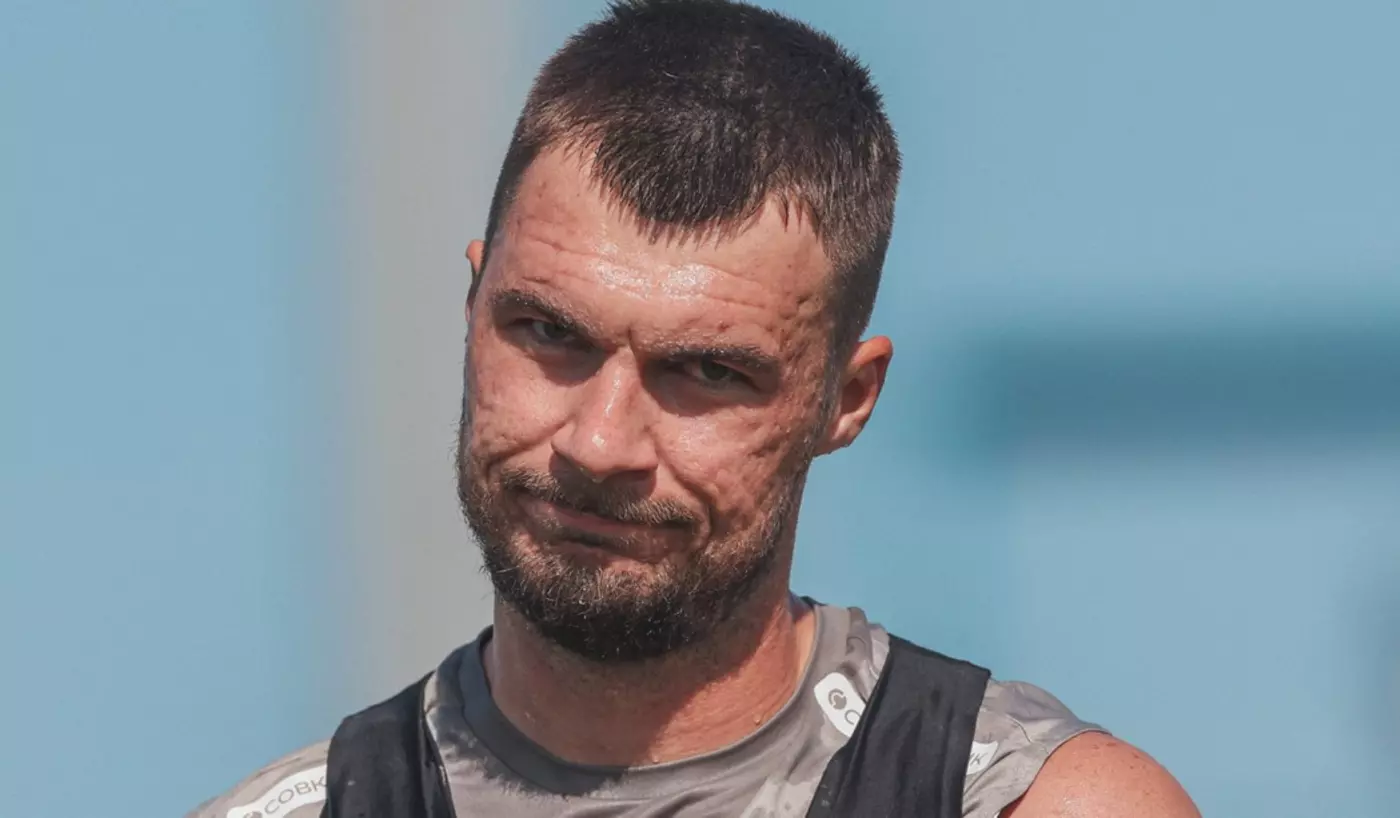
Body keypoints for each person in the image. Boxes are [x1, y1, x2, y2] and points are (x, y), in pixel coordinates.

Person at [191, 1, 1199, 816]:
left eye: (705, 372)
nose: (599, 442)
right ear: (471, 304)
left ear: (845, 400)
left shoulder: (1030, 803)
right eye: (548, 332)